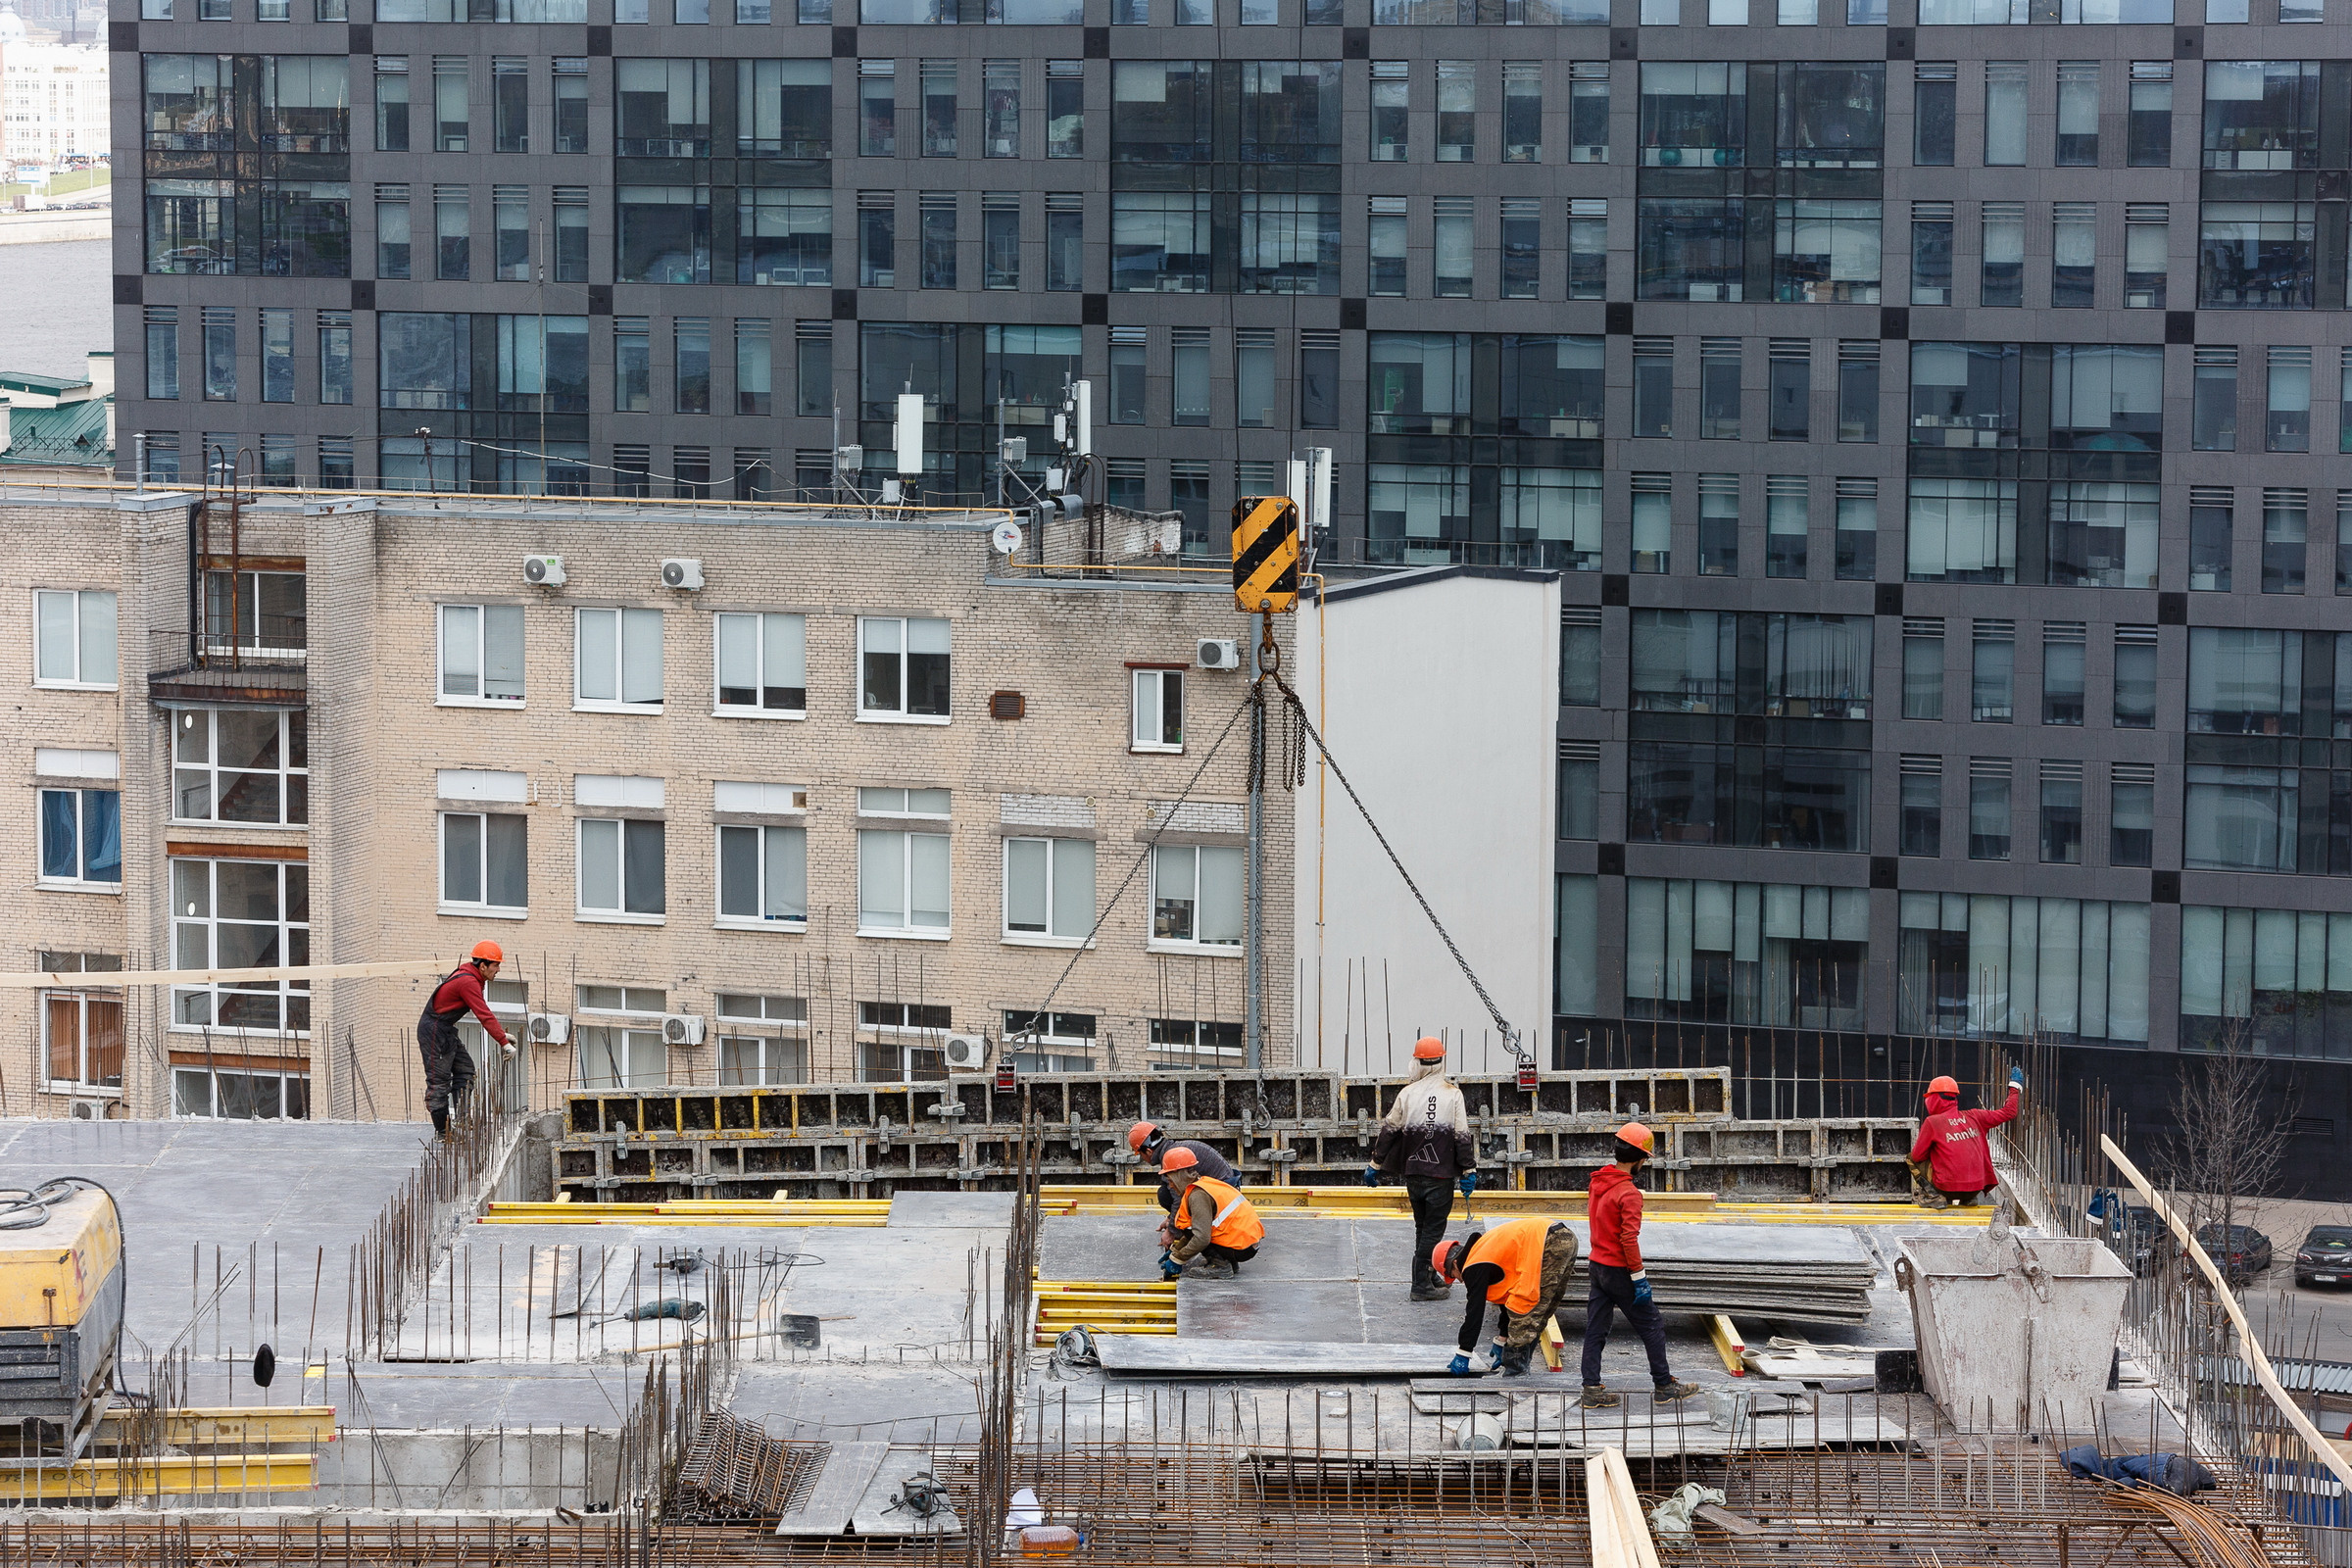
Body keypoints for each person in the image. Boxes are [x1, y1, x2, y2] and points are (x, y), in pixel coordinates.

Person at [1579, 1121, 1700, 1408]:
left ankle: (1591, 1390)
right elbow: (1628, 1239)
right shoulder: (1629, 1193)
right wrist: (1639, 1277)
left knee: (1596, 1328)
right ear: (1638, 1157)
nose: (1644, 1164)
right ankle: (1663, 1386)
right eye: (1645, 1159)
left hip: (1597, 1266)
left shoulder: (1598, 1181)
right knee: (1652, 1325)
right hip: (1620, 1270)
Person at [1367, 1037, 1480, 1301]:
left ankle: (1428, 1276)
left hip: (1414, 1175)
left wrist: (1375, 1164)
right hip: (1439, 1177)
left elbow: (1389, 1130)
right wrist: (1469, 1171)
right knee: (1432, 1232)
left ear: (1419, 1062)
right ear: (1441, 1061)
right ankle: (1420, 1285)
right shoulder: (1452, 1094)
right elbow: (1462, 1136)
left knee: (1422, 1228)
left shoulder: (1407, 1093)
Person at [1433, 1216, 1579, 1376]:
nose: (1459, 1280)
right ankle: (1520, 1369)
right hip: (1565, 1237)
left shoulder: (1473, 1266)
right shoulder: (1483, 1252)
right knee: (1541, 1310)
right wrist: (1502, 1339)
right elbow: (1507, 1297)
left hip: (1548, 1242)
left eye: (1453, 1275)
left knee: (1525, 1312)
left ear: (1454, 1264)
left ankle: (1515, 1375)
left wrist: (1464, 1352)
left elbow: (1475, 1312)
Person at [416, 942, 514, 1136]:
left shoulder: (474, 976)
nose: (498, 969)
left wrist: (502, 1035)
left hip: (444, 1029)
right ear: (483, 966)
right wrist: (503, 1043)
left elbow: (483, 1011)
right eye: (496, 965)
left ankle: (462, 1120)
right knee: (439, 1082)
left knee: (465, 1070)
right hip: (435, 1031)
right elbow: (483, 1013)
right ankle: (444, 1133)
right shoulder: (468, 982)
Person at [1908, 1069, 2025, 1207]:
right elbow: (2009, 1112)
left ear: (1934, 1098)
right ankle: (1969, 1199)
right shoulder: (1975, 1116)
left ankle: (1934, 1197)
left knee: (1910, 1158)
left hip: (1946, 1189)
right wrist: (2015, 1086)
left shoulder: (1932, 1122)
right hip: (1975, 1190)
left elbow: (1917, 1156)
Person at [1158, 1147, 1264, 1279]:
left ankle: (1220, 1266)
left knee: (1195, 1232)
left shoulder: (1198, 1195)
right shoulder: (1204, 1183)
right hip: (1246, 1244)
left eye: (1170, 1180)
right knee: (1195, 1228)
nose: (1171, 1186)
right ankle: (1229, 1262)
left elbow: (1201, 1238)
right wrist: (1175, 1251)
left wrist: (1178, 1260)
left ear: (1179, 1176)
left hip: (1241, 1248)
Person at [1128, 1122, 1239, 1216]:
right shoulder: (1176, 1148)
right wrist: (1169, 1219)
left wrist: (1171, 1232)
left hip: (1223, 1199)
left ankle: (1193, 1229)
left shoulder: (1172, 1158)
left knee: (1165, 1195)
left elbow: (1178, 1199)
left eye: (1140, 1153)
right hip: (1227, 1190)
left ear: (1148, 1152)